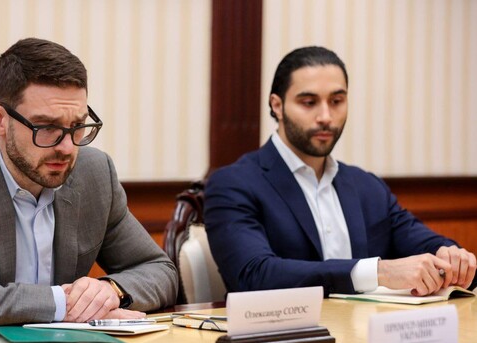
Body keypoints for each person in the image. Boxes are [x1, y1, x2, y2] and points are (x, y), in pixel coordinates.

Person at [0, 38, 178, 330]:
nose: (67, 148)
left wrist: (109, 291)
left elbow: (160, 270)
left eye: (78, 126)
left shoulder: (94, 173)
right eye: (48, 127)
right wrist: (59, 304)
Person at [204, 46, 476, 297]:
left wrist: (449, 256)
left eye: (336, 101)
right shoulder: (233, 184)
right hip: (283, 332)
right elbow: (254, 274)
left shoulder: (366, 185)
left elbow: (419, 240)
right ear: (277, 106)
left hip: (368, 329)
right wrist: (378, 272)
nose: (325, 116)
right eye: (308, 102)